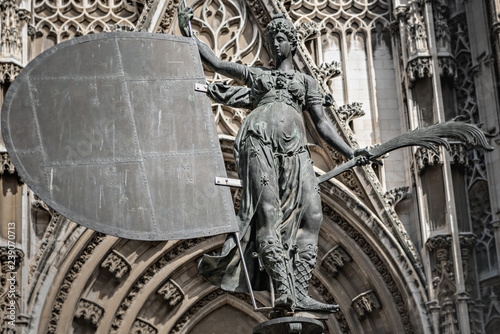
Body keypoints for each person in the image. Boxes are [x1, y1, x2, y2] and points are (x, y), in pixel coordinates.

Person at [178, 6, 370, 312]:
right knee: (268, 212)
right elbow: (216, 63)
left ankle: (300, 289)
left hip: (295, 149)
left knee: (313, 215)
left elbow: (321, 125)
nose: (274, 45)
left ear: (291, 43)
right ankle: (283, 289)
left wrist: (351, 152)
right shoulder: (258, 76)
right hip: (258, 141)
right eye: (271, 41)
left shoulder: (307, 83)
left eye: (279, 39)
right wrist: (189, 34)